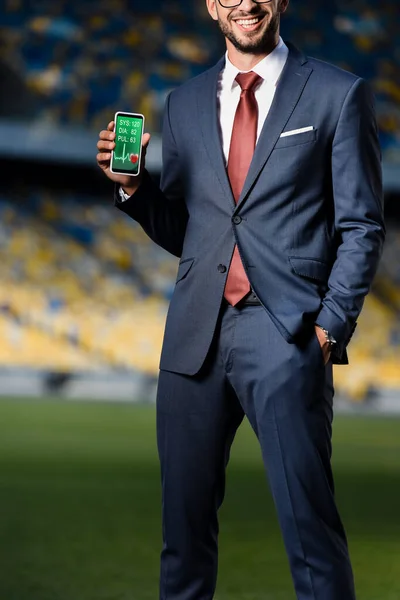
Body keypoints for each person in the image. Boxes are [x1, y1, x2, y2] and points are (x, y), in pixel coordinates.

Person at [96, 1, 385, 598]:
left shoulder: (337, 94)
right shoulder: (183, 104)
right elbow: (194, 234)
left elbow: (362, 226)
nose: (245, 4)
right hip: (193, 340)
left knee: (311, 536)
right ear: (211, 7)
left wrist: (329, 326)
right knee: (183, 539)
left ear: (279, 0)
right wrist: (132, 190)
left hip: (286, 336)